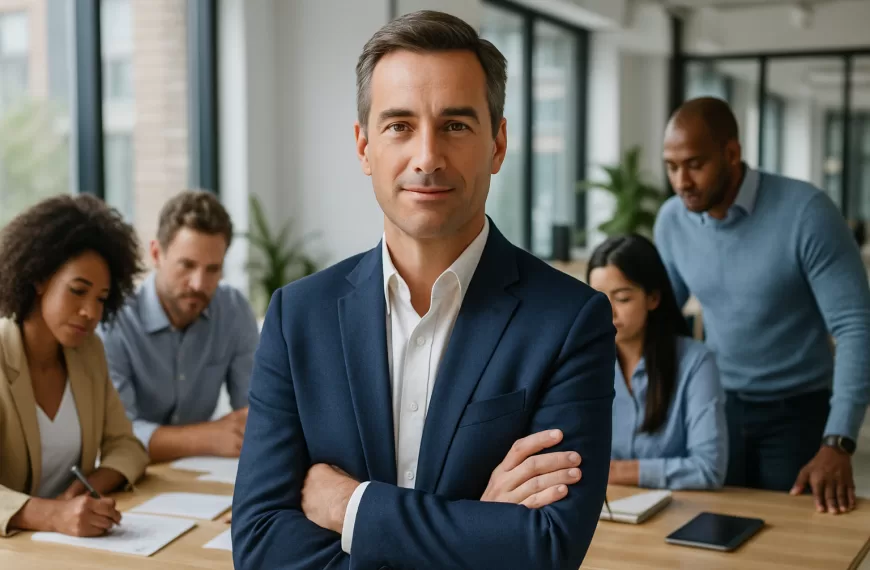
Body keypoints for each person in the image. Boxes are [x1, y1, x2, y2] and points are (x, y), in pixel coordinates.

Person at [231, 10, 615, 570]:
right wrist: (477, 529)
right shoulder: (298, 317)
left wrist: (350, 506)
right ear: (364, 146)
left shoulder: (570, 320)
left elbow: (546, 548)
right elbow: (261, 547)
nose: (428, 157)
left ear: (498, 143)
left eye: (456, 125)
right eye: (399, 126)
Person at [655, 96, 870, 514]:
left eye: (695, 164)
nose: (682, 181)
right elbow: (661, 316)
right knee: (712, 533)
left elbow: (856, 326)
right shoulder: (672, 220)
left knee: (790, 544)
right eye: (671, 166)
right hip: (717, 406)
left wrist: (839, 440)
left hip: (799, 410)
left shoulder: (807, 212)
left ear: (731, 153)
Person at [0, 195, 149, 537]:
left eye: (100, 299)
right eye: (77, 291)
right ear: (39, 278)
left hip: (72, 545)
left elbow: (127, 446)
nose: (91, 312)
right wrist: (52, 515)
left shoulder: (88, 352)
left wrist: (87, 487)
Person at [98, 191, 259, 463]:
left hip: (204, 475)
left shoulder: (233, 310)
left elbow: (256, 411)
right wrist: (207, 437)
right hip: (131, 476)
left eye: (212, 269)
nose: (199, 283)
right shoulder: (115, 320)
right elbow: (117, 436)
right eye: (187, 265)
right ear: (156, 253)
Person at [587, 234, 727, 490]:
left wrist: (614, 471)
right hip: (604, 512)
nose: (608, 312)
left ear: (653, 298)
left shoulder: (696, 363)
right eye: (598, 299)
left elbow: (708, 468)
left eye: (622, 298)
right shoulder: (582, 362)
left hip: (678, 511)